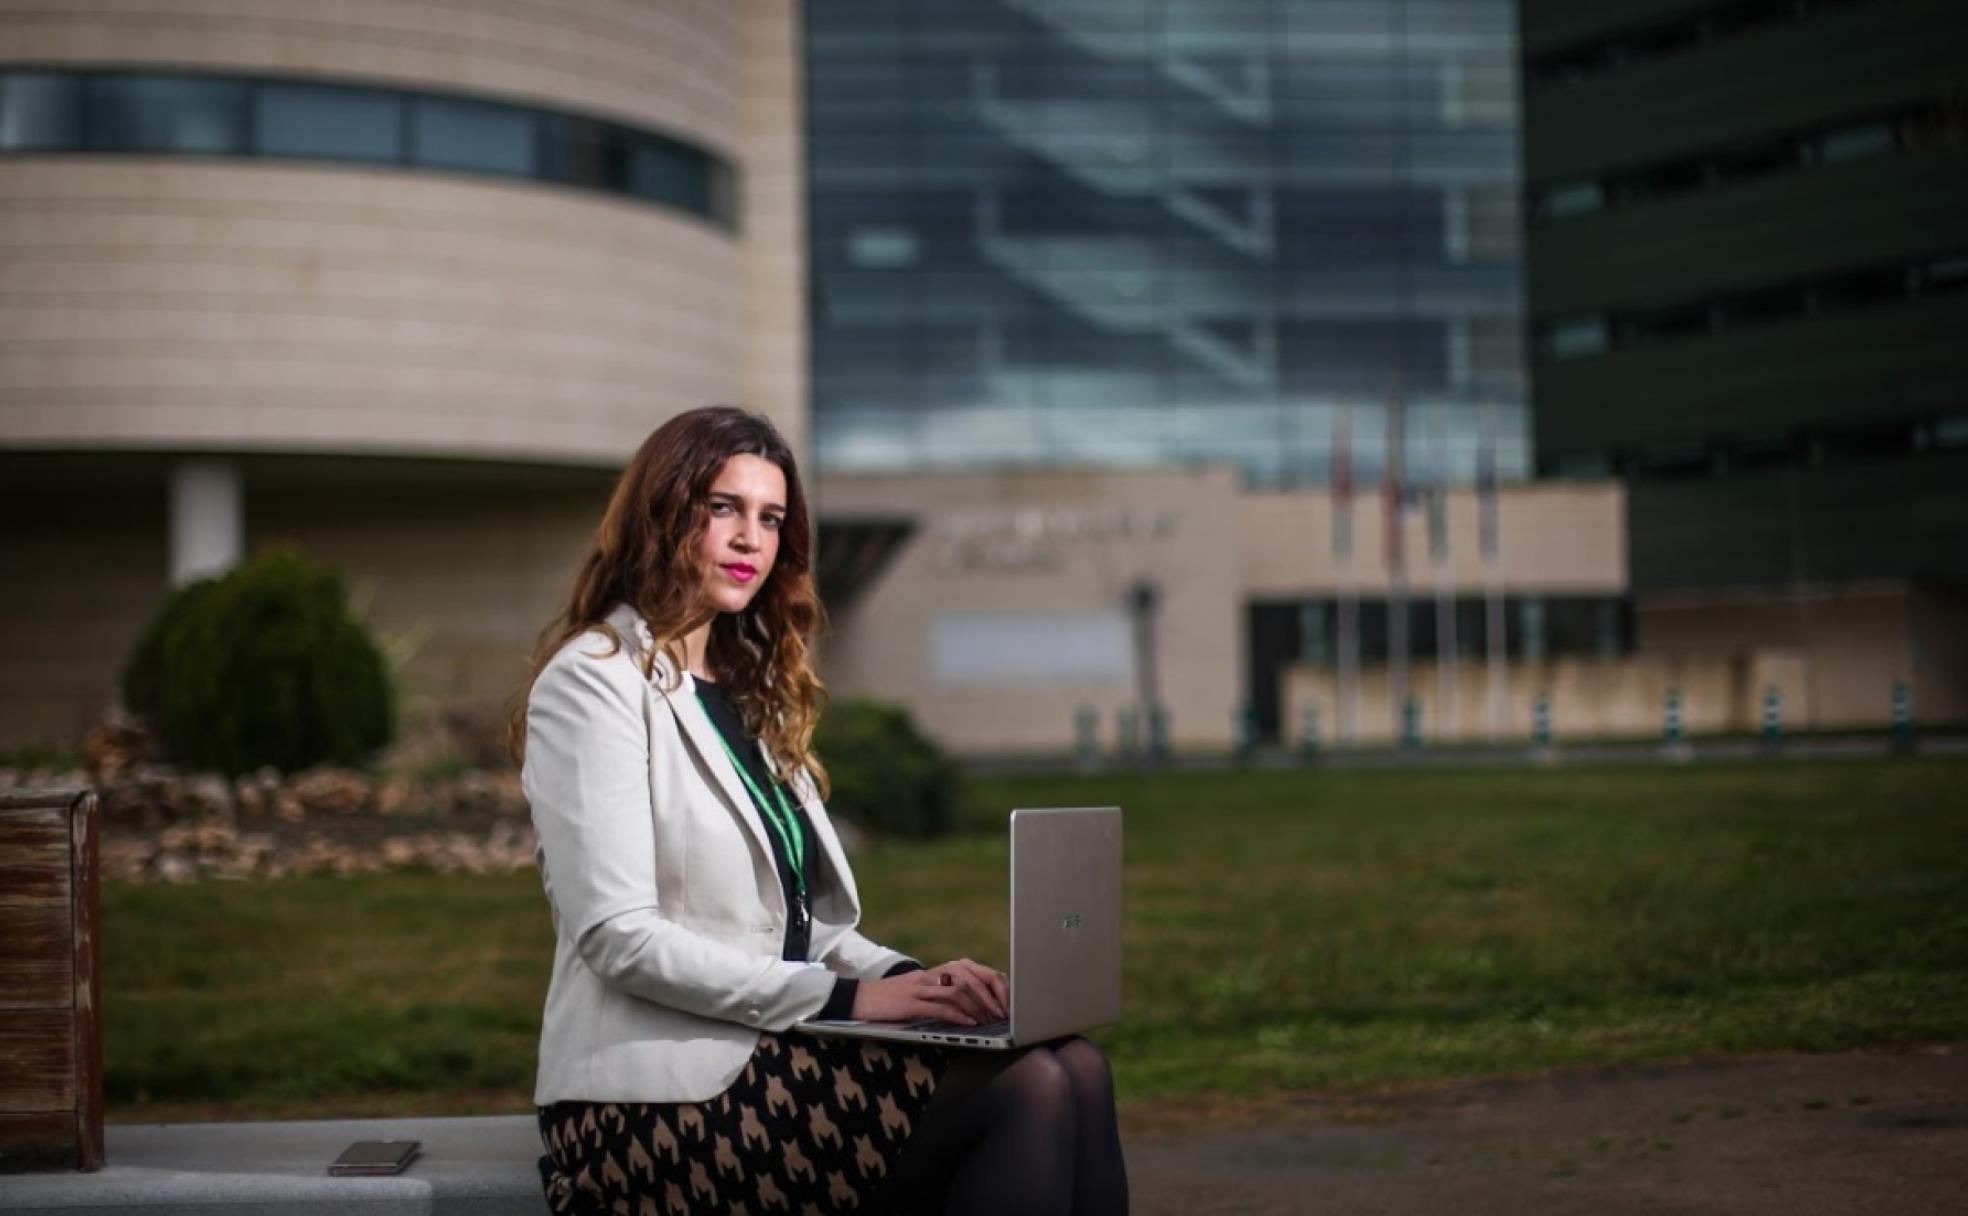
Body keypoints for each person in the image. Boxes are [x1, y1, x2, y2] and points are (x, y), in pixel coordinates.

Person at [512, 406, 1128, 1215]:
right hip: (644, 1109)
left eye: (770, 519)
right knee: (1030, 1088)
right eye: (723, 508)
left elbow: (807, 932)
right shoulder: (595, 681)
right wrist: (849, 1003)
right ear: (662, 514)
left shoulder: (742, 695)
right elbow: (618, 936)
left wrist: (917, 983)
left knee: (1076, 1065)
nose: (750, 540)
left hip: (768, 1057)